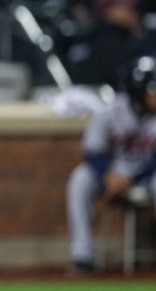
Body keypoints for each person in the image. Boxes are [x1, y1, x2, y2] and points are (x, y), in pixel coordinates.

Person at [66, 56, 156, 274]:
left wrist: (131, 179)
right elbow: (92, 151)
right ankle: (83, 256)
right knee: (80, 179)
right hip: (111, 172)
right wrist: (107, 175)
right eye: (152, 90)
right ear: (138, 91)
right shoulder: (109, 112)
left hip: (146, 173)